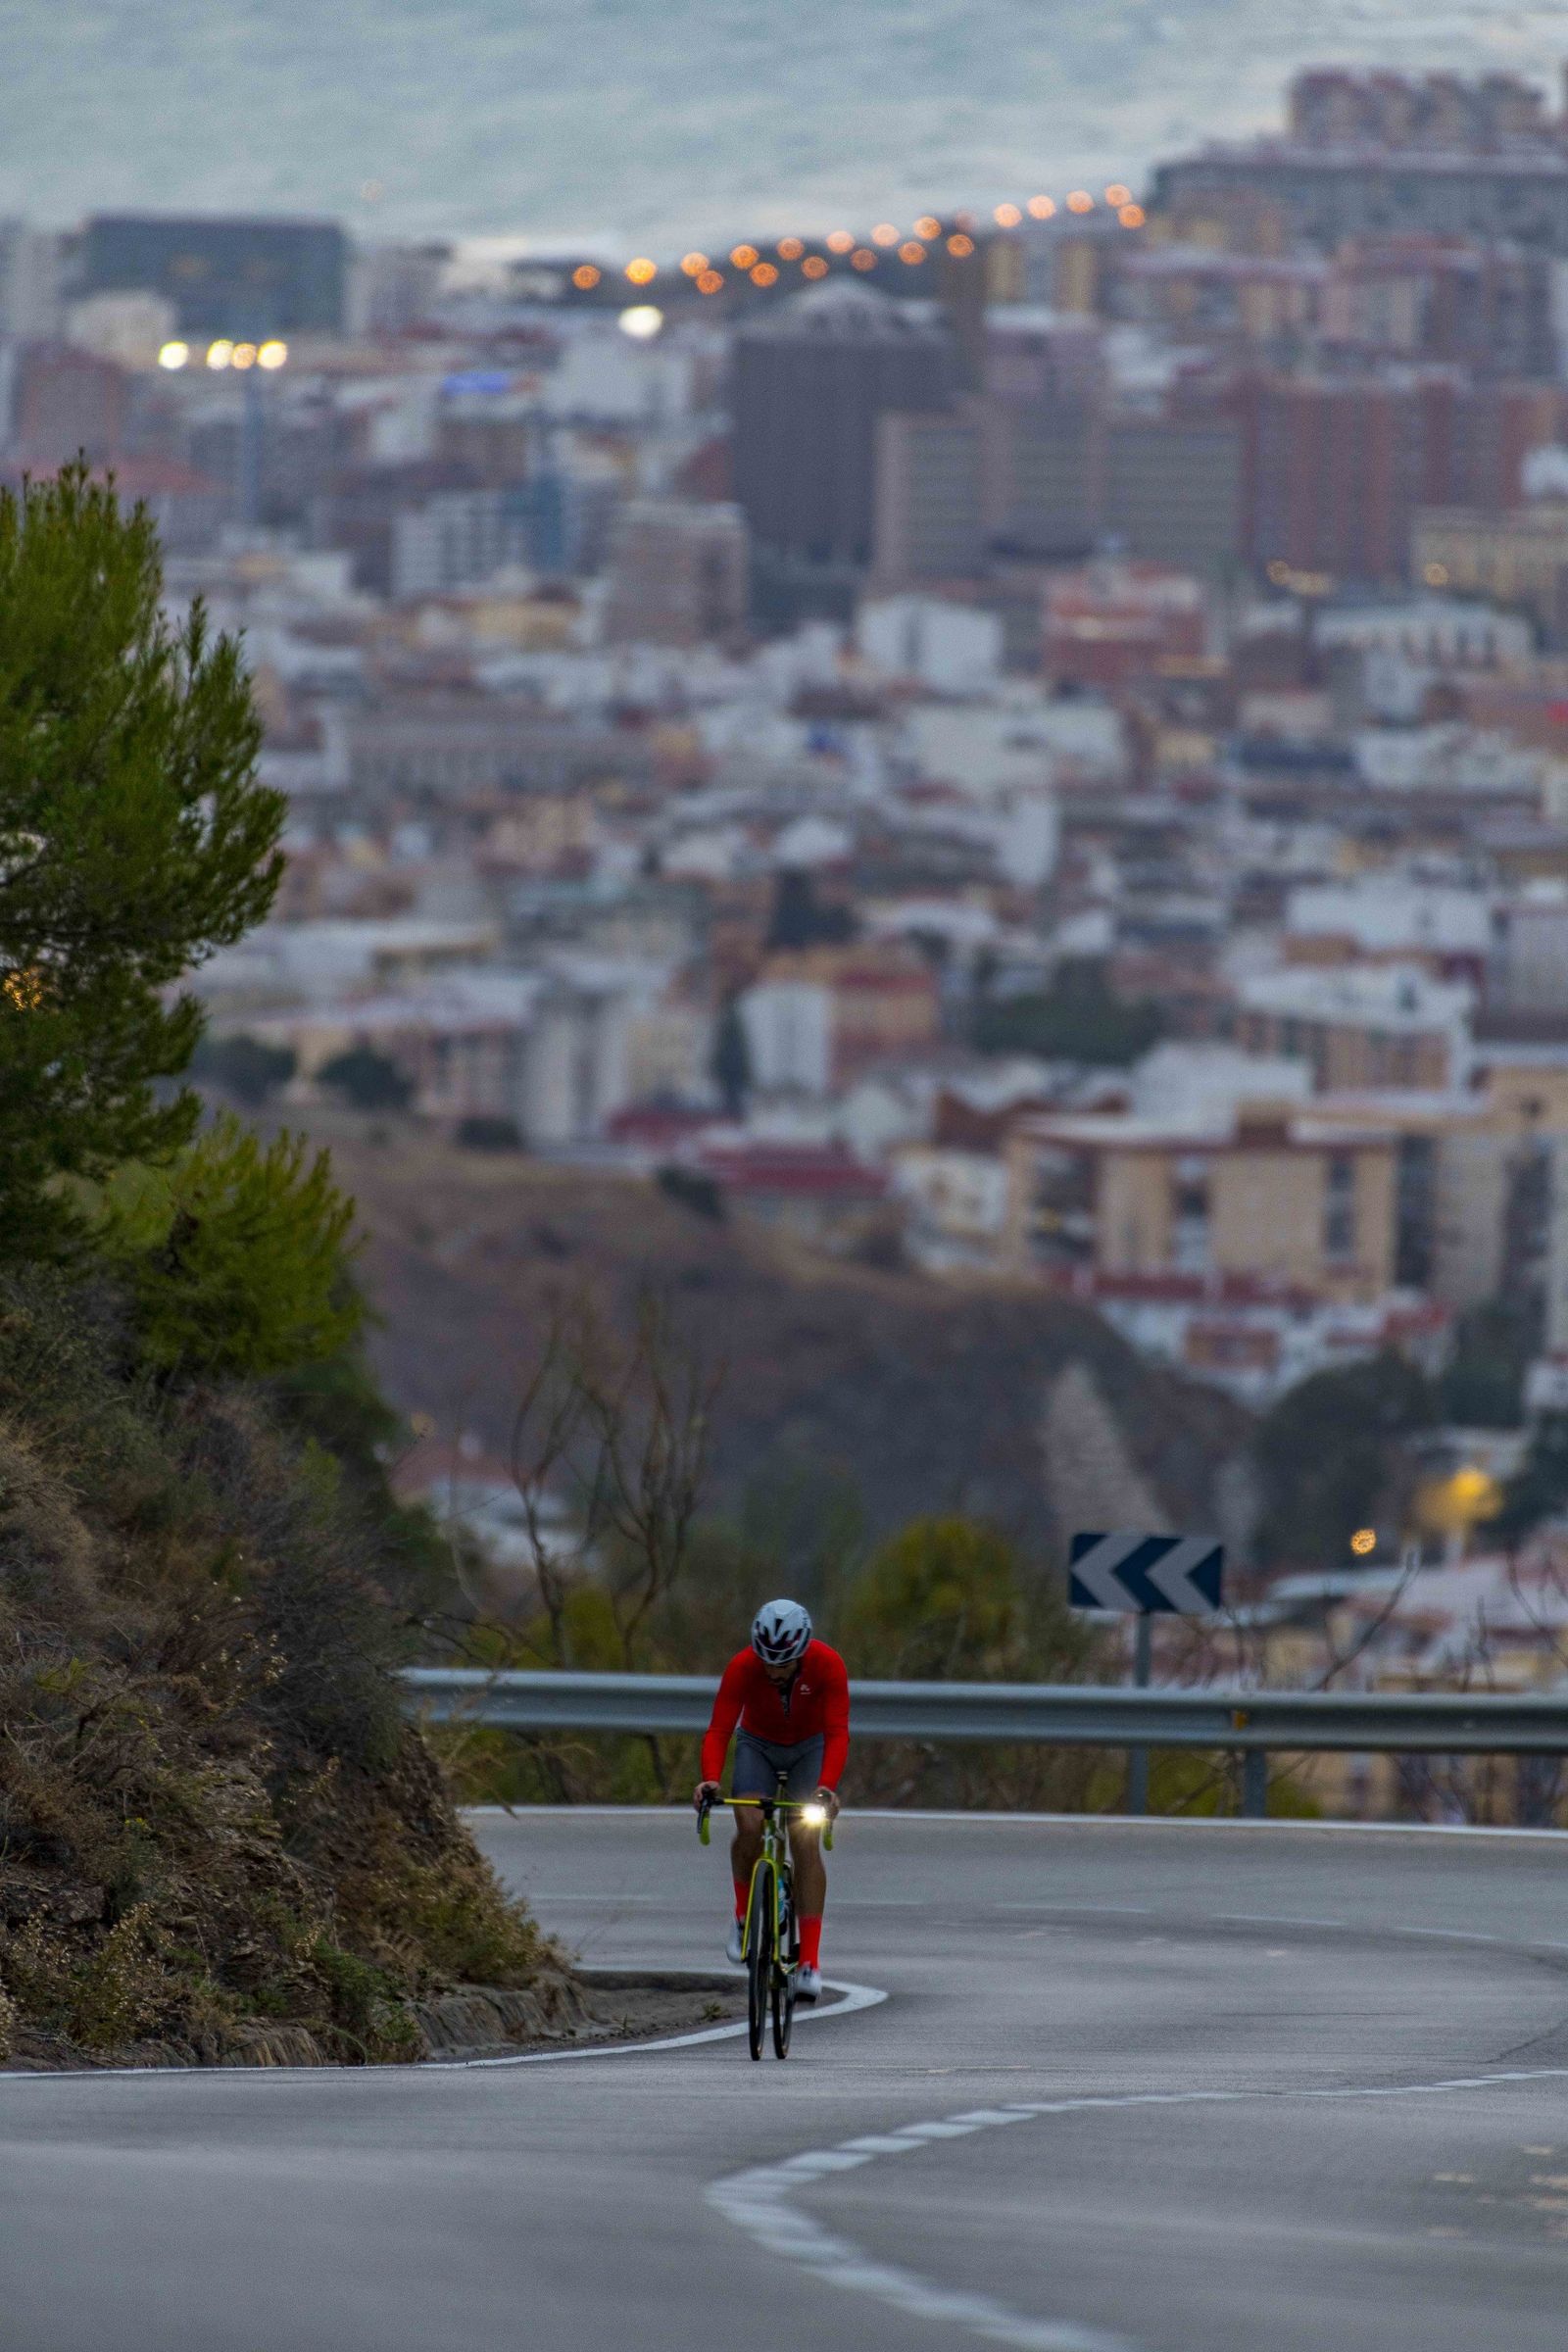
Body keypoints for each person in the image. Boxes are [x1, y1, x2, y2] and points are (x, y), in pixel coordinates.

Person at [694, 1597, 849, 2003]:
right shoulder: (742, 1667)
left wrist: (826, 1787)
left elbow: (837, 1733)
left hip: (809, 1748)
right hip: (758, 1745)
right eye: (767, 1661)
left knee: (804, 1837)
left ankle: (809, 1961)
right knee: (749, 1824)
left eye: (783, 1663)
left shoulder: (828, 1665)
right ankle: (744, 1915)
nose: (774, 1670)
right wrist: (710, 1779)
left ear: (802, 1652)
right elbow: (719, 1729)